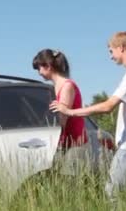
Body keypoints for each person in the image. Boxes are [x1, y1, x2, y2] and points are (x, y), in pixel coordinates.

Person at [49, 31, 126, 200]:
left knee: (113, 193)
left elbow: (108, 106)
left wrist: (70, 111)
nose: (110, 56)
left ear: (122, 48)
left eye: (111, 51)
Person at [32, 48, 90, 176]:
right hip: (64, 144)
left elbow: (61, 120)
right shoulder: (55, 87)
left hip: (72, 144)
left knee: (69, 183)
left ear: (48, 66)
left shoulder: (67, 86)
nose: (39, 72)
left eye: (39, 68)